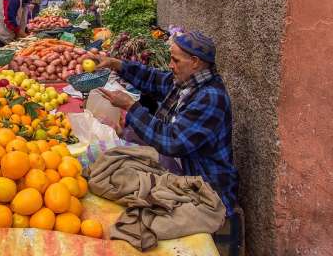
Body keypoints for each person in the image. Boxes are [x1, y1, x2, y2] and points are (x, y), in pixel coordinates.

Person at [97, 31, 239, 216]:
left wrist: (131, 107)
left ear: (195, 62)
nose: (171, 65)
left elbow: (172, 141)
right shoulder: (188, 82)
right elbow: (154, 79)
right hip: (184, 170)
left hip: (207, 187)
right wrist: (116, 64)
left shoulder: (210, 98)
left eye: (176, 60)